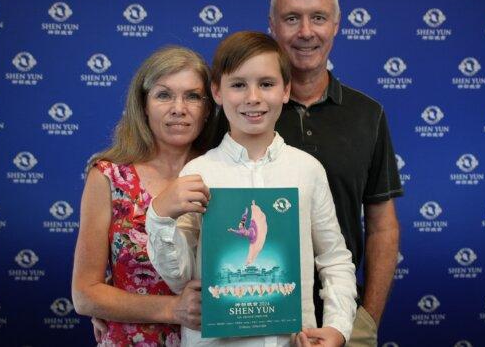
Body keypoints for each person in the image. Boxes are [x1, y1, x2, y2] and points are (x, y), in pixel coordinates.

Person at [145, 31, 357, 347]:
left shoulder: (307, 170)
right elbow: (180, 278)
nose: (253, 97)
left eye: (267, 84)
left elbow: (334, 258)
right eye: (239, 85)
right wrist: (159, 217)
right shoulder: (199, 173)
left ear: (286, 90)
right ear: (217, 91)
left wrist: (338, 327)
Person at [269, 0, 403, 346]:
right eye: (292, 18)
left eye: (319, 18)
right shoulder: (242, 111)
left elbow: (382, 225)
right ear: (273, 26)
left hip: (339, 324)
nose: (306, 31)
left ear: (337, 25)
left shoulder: (368, 114)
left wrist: (366, 320)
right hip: (252, 321)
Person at [71, 46, 216, 346]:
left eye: (192, 96)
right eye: (164, 95)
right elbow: (85, 294)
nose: (179, 108)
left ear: (208, 108)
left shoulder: (224, 174)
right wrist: (172, 309)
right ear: (144, 105)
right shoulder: (108, 177)